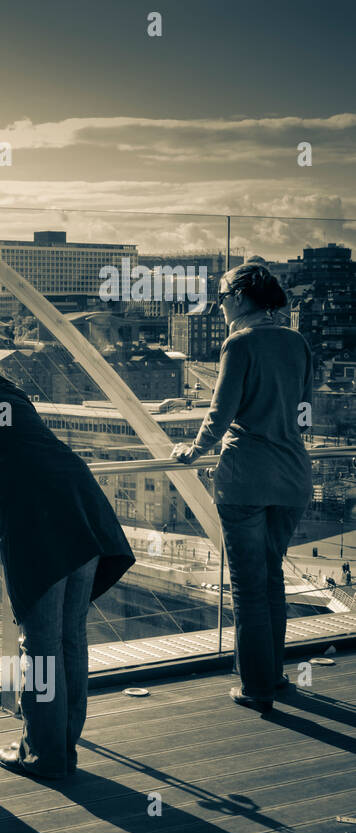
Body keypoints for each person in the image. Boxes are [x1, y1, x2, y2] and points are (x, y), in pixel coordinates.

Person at [0, 341, 134, 780]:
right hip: (82, 506)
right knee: (70, 636)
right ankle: (63, 746)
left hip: (36, 521)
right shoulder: (12, 393)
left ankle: (41, 754)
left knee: (39, 646)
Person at [172, 262, 310, 712]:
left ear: (241, 295)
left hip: (246, 478)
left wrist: (194, 449)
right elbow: (304, 407)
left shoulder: (239, 343)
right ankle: (274, 674)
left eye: (222, 293)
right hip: (292, 476)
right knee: (272, 580)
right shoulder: (297, 341)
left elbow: (222, 410)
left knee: (249, 588)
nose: (219, 303)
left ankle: (256, 688)